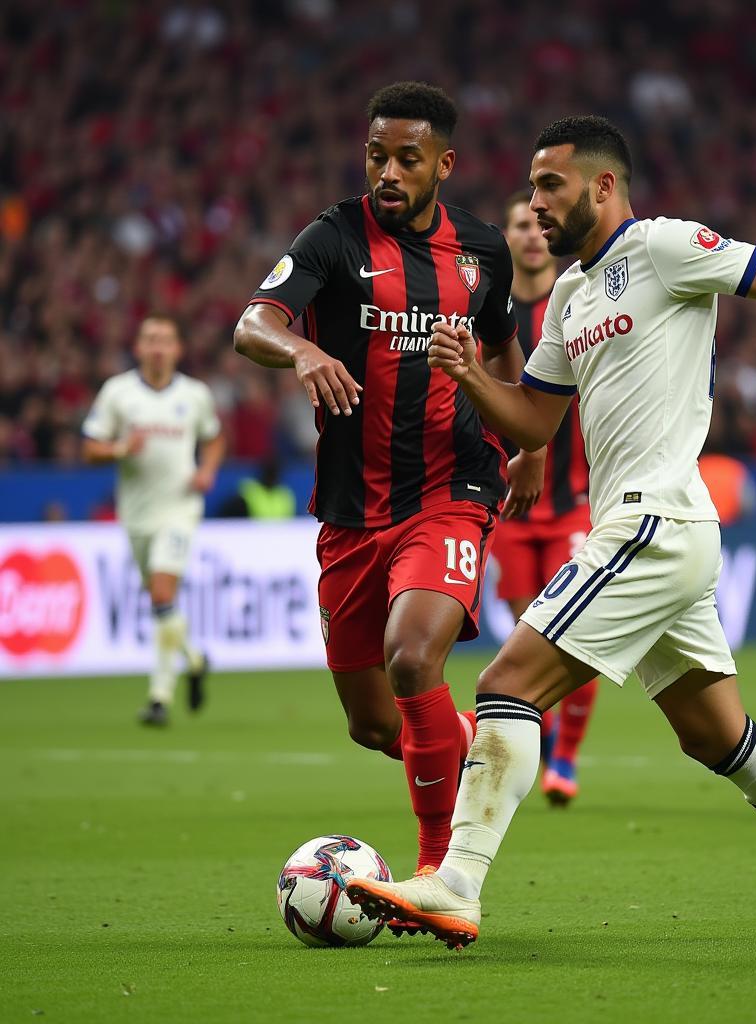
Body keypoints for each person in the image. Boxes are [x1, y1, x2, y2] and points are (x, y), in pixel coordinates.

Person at [346, 116, 756, 948]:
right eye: (533, 188)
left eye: (552, 186)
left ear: (604, 185)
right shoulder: (567, 299)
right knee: (713, 733)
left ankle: (456, 882)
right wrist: (473, 374)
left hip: (654, 522)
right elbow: (536, 422)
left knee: (506, 685)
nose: (538, 205)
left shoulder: (661, 247)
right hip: (658, 531)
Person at [233, 83, 536, 922]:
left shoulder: (482, 252)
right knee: (375, 725)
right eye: (377, 155)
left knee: (413, 659)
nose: (389, 171)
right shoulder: (333, 236)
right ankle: (479, 755)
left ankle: (442, 876)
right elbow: (251, 325)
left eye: (407, 157)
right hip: (350, 510)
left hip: (451, 486)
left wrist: (532, 445)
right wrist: (298, 350)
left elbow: (516, 358)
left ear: (444, 163)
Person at [493, 190, 598, 806]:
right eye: (518, 226)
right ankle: (550, 728)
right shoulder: (491, 313)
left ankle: (564, 757)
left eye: (538, 224)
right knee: (525, 631)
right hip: (507, 505)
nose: (532, 235)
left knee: (573, 629)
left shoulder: (581, 300)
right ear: (505, 238)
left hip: (572, 500)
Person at [82, 314, 223, 725]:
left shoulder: (194, 394)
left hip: (179, 509)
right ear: (139, 348)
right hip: (137, 513)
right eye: (150, 339)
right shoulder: (119, 393)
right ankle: (195, 661)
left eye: (165, 339)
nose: (158, 346)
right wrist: (121, 448)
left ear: (177, 349)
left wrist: (207, 469)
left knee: (162, 594)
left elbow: (214, 437)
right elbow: (90, 449)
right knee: (162, 602)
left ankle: (159, 697)